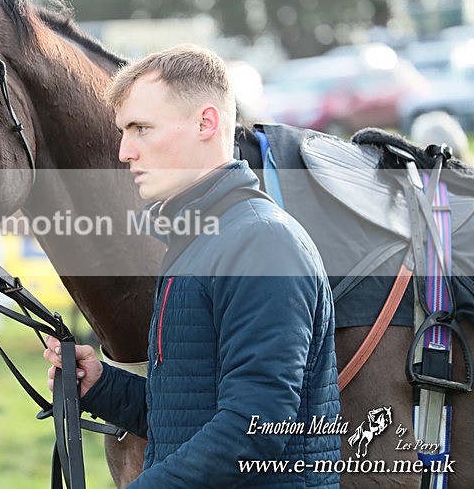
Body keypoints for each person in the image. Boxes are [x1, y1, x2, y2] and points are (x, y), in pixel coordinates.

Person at [43, 44, 341, 487]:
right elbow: (185, 416)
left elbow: (254, 429)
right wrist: (101, 385)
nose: (125, 151)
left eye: (141, 128)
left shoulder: (261, 243)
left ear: (207, 122)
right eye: (124, 130)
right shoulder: (198, 242)